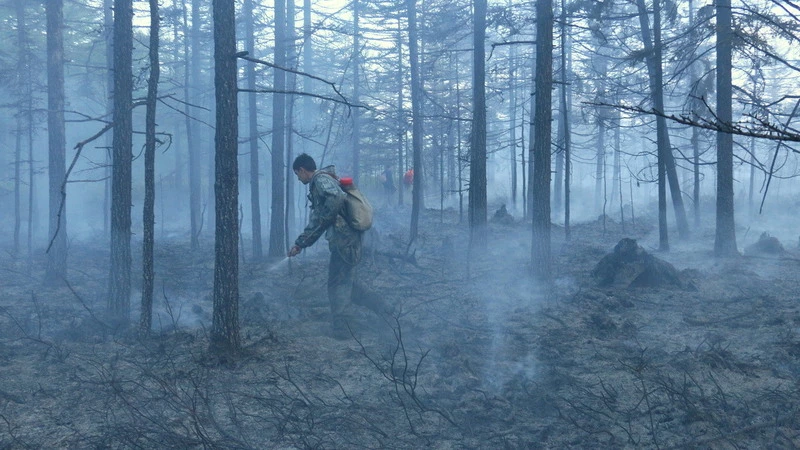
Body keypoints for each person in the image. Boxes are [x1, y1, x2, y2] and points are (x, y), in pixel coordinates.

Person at [288, 153, 393, 339]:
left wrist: (322, 221)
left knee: (338, 284)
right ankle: (385, 309)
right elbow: (320, 220)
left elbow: (334, 200)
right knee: (347, 281)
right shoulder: (324, 180)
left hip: (344, 240)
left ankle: (343, 328)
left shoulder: (320, 181)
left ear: (303, 170)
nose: (298, 178)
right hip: (347, 239)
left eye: (298, 174)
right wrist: (301, 243)